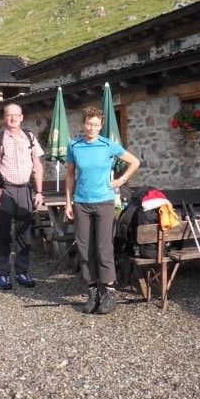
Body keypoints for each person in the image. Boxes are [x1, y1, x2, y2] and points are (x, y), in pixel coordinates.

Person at [65, 106, 140, 315]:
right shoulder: (74, 145)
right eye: (89, 123)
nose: (92, 128)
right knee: (85, 246)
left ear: (101, 126)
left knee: (103, 246)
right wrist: (68, 202)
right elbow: (70, 175)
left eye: (96, 124)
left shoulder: (108, 145)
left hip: (104, 202)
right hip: (81, 202)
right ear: (83, 123)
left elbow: (135, 162)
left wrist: (121, 180)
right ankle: (92, 291)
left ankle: (108, 291)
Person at [0, 103, 45, 291]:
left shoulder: (30, 137)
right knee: (4, 235)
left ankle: (22, 272)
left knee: (24, 235)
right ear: (5, 117)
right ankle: (3, 274)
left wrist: (39, 191)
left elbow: (38, 165)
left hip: (25, 190)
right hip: (6, 190)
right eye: (9, 115)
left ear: (22, 117)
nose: (13, 118)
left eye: (16, 115)